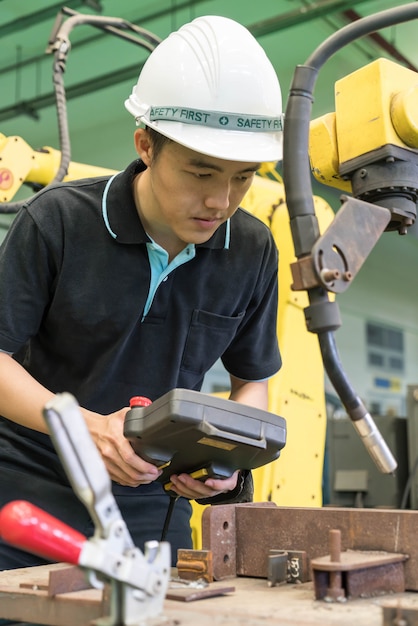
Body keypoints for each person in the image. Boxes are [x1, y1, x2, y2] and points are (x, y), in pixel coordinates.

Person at [0, 14, 283, 569]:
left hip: (157, 509)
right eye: (202, 174)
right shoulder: (55, 222)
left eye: (243, 176)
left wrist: (222, 462)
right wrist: (85, 428)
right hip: (29, 498)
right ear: (146, 146)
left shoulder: (253, 250)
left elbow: (254, 382)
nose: (222, 201)